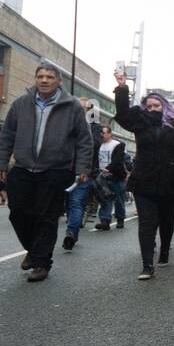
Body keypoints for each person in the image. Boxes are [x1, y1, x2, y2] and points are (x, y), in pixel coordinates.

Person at [0, 62, 93, 282]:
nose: (44, 80)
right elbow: (7, 134)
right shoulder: (21, 104)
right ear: (35, 79)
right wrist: (0, 164)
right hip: (22, 167)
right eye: (40, 76)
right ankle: (34, 250)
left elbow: (84, 141)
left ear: (59, 81)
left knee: (46, 217)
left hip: (55, 170)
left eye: (49, 77)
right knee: (17, 212)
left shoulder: (73, 107)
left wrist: (83, 168)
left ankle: (41, 263)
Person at [111, 73, 174, 279]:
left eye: (157, 105)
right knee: (147, 223)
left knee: (166, 220)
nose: (153, 109)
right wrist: (122, 89)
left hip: (170, 181)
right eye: (149, 106)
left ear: (164, 106)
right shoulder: (140, 122)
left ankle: (164, 250)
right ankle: (147, 264)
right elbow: (122, 115)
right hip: (144, 180)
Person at [62, 97, 103, 250]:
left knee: (76, 202)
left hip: (83, 171)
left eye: (82, 107)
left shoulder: (94, 126)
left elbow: (96, 145)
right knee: (62, 203)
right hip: (62, 169)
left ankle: (71, 233)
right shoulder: (65, 122)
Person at [94, 124, 129, 231]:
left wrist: (108, 168)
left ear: (110, 134)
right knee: (105, 198)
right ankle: (105, 221)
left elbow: (118, 161)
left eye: (104, 133)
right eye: (100, 133)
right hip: (103, 176)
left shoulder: (117, 145)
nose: (102, 135)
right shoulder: (98, 145)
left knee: (118, 199)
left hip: (116, 176)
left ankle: (120, 219)